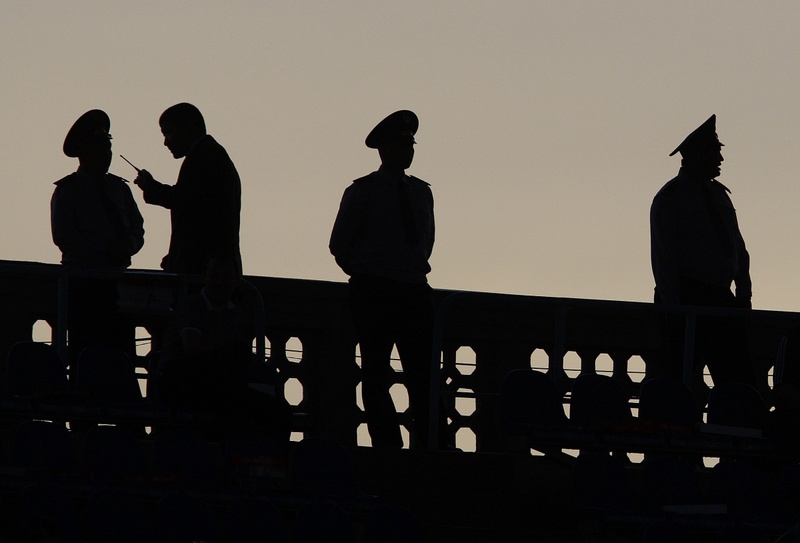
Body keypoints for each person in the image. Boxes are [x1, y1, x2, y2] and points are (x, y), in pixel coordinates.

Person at [329, 110, 438, 449]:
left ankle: (428, 439)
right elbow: (339, 245)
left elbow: (426, 242)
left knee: (422, 374)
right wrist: (368, 272)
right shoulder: (362, 191)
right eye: (401, 144)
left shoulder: (421, 192)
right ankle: (386, 442)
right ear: (384, 149)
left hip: (413, 290)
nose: (409, 150)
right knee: (376, 372)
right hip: (374, 289)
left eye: (411, 144)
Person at [650, 114, 756, 387]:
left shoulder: (720, 195)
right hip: (688, 295)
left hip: (721, 298)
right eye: (715, 152)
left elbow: (738, 249)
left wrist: (743, 295)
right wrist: (674, 309)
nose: (720, 160)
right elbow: (664, 260)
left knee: (736, 379)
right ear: (698, 155)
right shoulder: (670, 198)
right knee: (678, 377)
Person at [157, 254, 291, 444]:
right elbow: (192, 346)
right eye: (214, 275)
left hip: (218, 387)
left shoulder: (234, 313)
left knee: (279, 412)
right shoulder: (192, 306)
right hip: (182, 380)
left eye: (227, 276)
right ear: (205, 277)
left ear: (236, 281)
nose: (220, 281)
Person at [50, 109, 145, 362]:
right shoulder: (68, 190)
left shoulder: (119, 188)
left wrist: (129, 245)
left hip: (119, 283)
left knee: (122, 351)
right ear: (82, 152)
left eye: (108, 147)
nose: (106, 154)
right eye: (98, 147)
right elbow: (64, 236)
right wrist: (105, 248)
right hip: (85, 284)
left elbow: (138, 227)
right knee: (87, 350)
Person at [133, 103, 242, 275]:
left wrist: (150, 186)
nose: (165, 142)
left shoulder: (204, 155)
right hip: (212, 265)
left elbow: (183, 199)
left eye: (168, 132)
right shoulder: (211, 154)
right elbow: (201, 213)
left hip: (206, 271)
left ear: (189, 126)